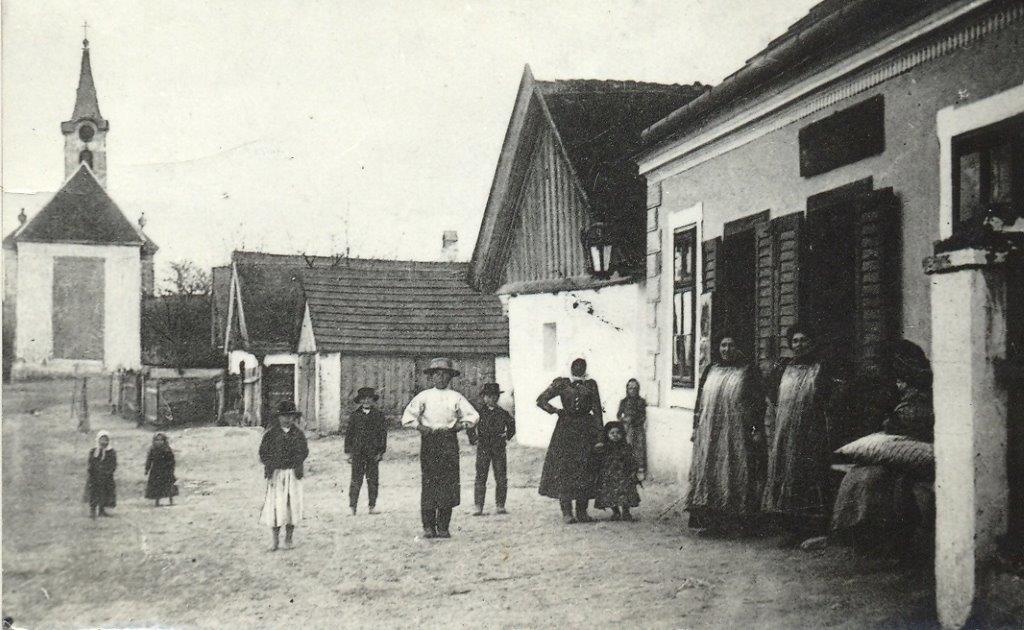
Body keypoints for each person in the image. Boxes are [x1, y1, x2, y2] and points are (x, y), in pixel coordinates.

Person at [831, 340, 935, 561]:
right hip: (895, 445)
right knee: (862, 476)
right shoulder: (886, 387)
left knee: (886, 480)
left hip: (919, 443)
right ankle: (866, 536)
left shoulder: (922, 388)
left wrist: (894, 422)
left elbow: (915, 418)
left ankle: (892, 542)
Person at [761, 324, 845, 547]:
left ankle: (811, 529)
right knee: (786, 474)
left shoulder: (821, 368)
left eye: (803, 340)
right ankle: (789, 529)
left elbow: (831, 399)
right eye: (795, 341)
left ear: (812, 343)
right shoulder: (783, 368)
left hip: (811, 434)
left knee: (808, 476)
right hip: (785, 431)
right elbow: (772, 396)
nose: (799, 345)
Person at [685, 335, 766, 537]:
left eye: (731, 345)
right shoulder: (710, 370)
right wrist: (695, 427)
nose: (727, 349)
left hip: (736, 432)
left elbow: (757, 403)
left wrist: (756, 429)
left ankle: (736, 524)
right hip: (710, 431)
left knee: (734, 472)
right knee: (711, 473)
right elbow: (699, 400)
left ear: (739, 347)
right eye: (723, 345)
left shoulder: (749, 371)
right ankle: (712, 523)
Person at [401, 358, 479, 539]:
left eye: (445, 374)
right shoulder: (423, 396)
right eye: (437, 374)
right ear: (431, 377)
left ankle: (443, 526)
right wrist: (420, 427)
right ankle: (428, 526)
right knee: (429, 482)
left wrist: (460, 426)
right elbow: (407, 417)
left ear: (450, 377)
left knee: (448, 483)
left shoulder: (456, 397)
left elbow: (473, 416)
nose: (441, 377)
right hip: (430, 440)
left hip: (448, 440)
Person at [537, 357, 604, 524]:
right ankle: (566, 512)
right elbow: (541, 400)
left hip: (586, 429)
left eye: (581, 366)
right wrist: (556, 411)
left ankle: (582, 512)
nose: (578, 368)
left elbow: (597, 410)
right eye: (575, 365)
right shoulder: (562, 383)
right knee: (565, 469)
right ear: (570, 367)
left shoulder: (591, 385)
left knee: (585, 468)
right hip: (565, 430)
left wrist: (599, 437)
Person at [259, 400, 309, 551]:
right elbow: (263, 453)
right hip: (276, 474)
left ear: (294, 417)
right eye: (284, 416)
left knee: (291, 506)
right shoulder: (270, 434)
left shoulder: (298, 434)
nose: (287, 419)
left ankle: (288, 539)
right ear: (278, 417)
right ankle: (275, 541)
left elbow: (304, 451)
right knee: (276, 506)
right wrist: (272, 465)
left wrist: (295, 462)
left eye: (290, 416)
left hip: (293, 474)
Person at [468, 383, 516, 516]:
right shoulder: (478, 413)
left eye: (494, 396)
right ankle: (478, 506)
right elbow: (470, 426)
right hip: (483, 446)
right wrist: (474, 439)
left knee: (501, 476)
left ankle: (500, 505)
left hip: (498, 446)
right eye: (488, 396)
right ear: (483, 397)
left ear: (498, 397)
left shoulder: (502, 413)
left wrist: (507, 436)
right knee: (481, 476)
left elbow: (512, 425)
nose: (491, 399)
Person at [345, 387, 387, 515]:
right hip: (358, 453)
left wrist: (381, 451)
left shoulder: (379, 415)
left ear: (373, 400)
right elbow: (349, 434)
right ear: (360, 401)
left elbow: (383, 435)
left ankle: (372, 506)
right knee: (356, 480)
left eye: (369, 398)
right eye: (364, 399)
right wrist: (349, 453)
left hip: (373, 453)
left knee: (373, 480)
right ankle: (352, 507)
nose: (366, 401)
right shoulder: (355, 416)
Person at [594, 421, 641, 521]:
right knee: (610, 494)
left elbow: (632, 460)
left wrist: (633, 470)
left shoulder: (626, 447)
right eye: (612, 433)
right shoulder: (605, 448)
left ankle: (626, 512)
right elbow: (599, 461)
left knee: (626, 493)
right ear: (607, 435)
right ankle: (615, 512)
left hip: (624, 475)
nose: (615, 435)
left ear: (622, 434)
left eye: (618, 433)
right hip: (609, 476)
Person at [616, 378, 648, 480]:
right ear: (627, 389)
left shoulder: (641, 402)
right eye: (630, 388)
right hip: (627, 429)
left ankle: (640, 471)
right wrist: (624, 420)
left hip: (637, 429)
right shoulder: (623, 402)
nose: (632, 390)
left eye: (635, 388)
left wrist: (634, 420)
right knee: (626, 448)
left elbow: (643, 416)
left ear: (638, 389)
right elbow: (618, 415)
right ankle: (626, 471)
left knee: (639, 449)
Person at [85, 430, 117, 518]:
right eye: (101, 440)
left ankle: (101, 510)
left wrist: (108, 472)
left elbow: (113, 464)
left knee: (104, 493)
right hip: (94, 477)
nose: (104, 442)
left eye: (106, 440)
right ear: (98, 440)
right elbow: (91, 462)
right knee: (94, 493)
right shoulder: (93, 451)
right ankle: (92, 510)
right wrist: (92, 471)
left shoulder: (111, 452)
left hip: (106, 477)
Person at [145, 433, 177, 507]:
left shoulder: (167, 450)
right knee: (157, 486)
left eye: (161, 440)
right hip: (156, 470)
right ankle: (157, 502)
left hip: (166, 470)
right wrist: (147, 469)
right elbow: (149, 460)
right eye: (157, 440)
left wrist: (171, 468)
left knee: (169, 485)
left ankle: (171, 501)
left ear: (164, 441)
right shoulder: (153, 450)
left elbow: (172, 460)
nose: (159, 442)